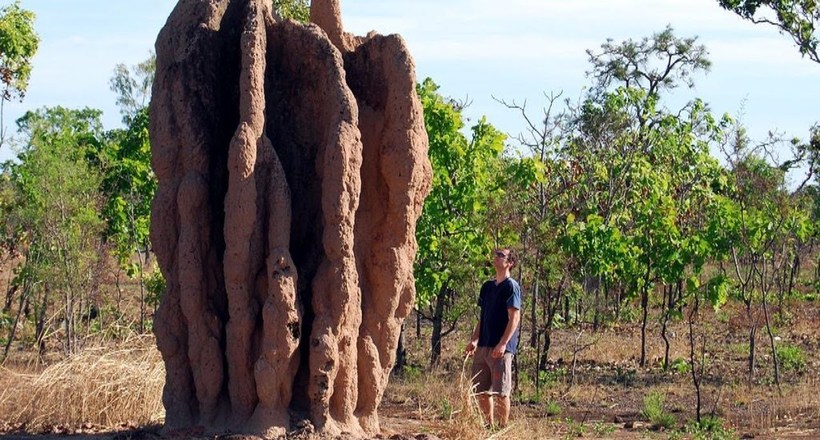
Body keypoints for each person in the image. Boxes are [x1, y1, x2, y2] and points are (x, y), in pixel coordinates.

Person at [464, 247, 522, 428]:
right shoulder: (487, 287)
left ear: (510, 263)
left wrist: (503, 343)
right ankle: (489, 427)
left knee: (501, 392)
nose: (496, 257)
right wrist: (474, 339)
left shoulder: (511, 286)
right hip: (483, 345)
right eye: (495, 254)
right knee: (480, 390)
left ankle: (502, 429)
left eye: (501, 255)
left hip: (500, 348)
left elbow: (515, 317)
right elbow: (483, 317)